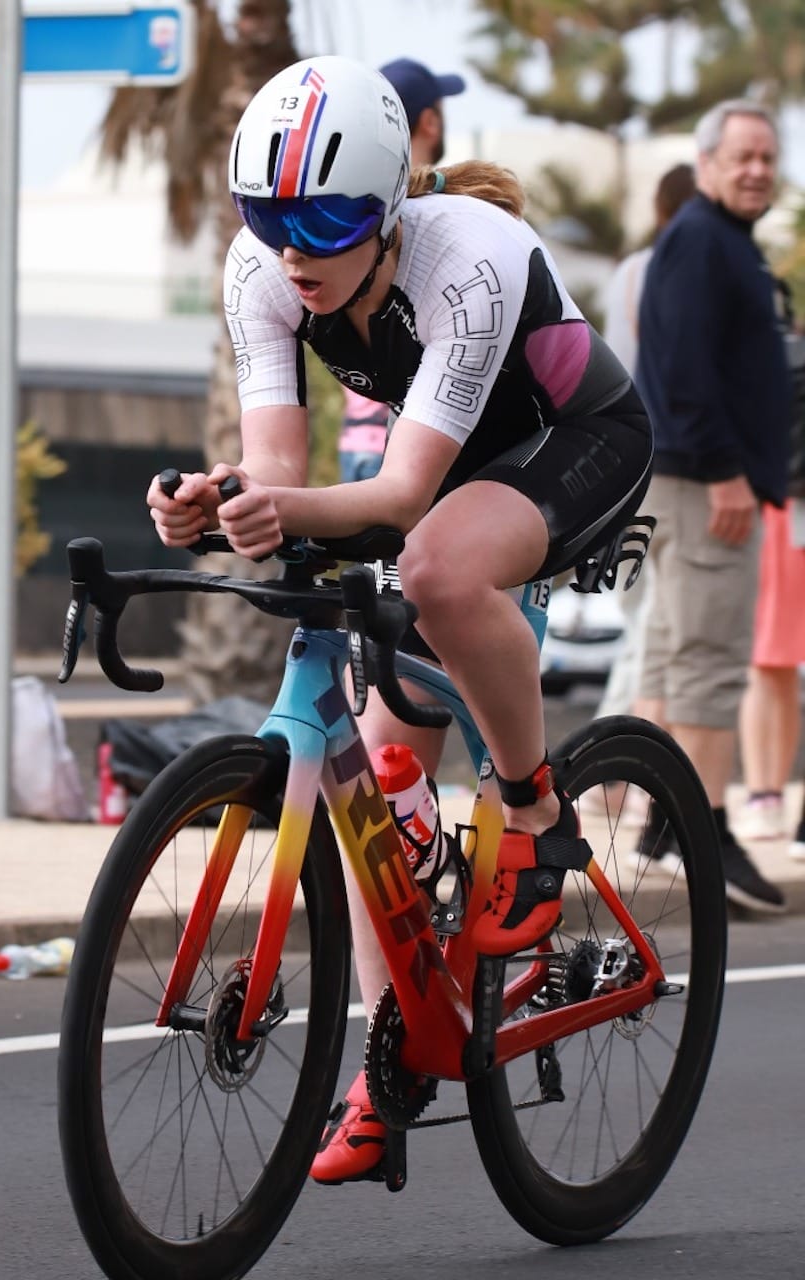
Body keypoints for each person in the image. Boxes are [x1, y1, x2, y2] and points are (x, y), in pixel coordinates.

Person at [148, 56, 653, 1184]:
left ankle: (532, 814)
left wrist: (280, 508)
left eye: (324, 221)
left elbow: (403, 493)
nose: (293, 250)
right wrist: (215, 500)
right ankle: (393, 1062)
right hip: (442, 470)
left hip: (573, 441)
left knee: (436, 567)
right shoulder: (263, 271)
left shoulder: (466, 257)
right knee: (370, 779)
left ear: (384, 210)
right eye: (267, 215)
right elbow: (280, 472)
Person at [632, 99, 790, 914]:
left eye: (768, 156)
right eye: (742, 157)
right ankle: (703, 829)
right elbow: (682, 369)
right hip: (704, 485)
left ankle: (667, 824)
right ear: (707, 165)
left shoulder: (721, 238)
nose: (757, 169)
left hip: (694, 480)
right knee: (709, 660)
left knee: (673, 652)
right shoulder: (701, 238)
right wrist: (728, 471)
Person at [593, 163, 697, 723]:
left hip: (620, 458)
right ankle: (616, 744)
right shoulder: (686, 273)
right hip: (672, 461)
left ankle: (623, 746)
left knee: (639, 613)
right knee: (657, 622)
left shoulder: (630, 271)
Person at [337, 58, 465, 485]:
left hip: (358, 441)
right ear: (429, 122)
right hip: (421, 446)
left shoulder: (351, 212)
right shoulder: (447, 221)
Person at [736, 314, 805, 857]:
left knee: (770, 663)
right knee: (768, 660)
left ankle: (770, 800)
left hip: (782, 510)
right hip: (784, 512)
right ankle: (764, 796)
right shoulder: (779, 355)